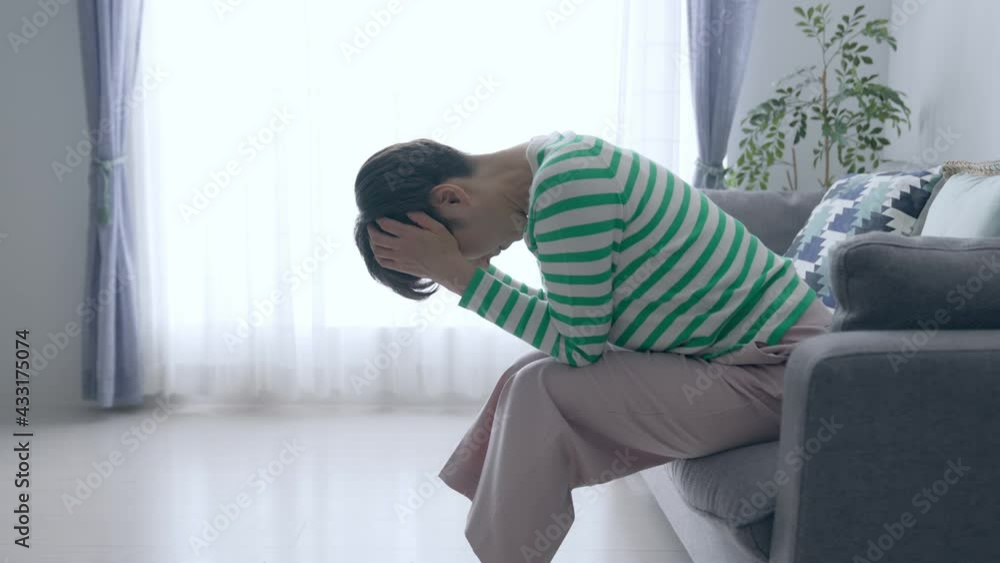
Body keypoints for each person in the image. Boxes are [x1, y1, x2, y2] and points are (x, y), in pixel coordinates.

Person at [353, 131, 832, 563]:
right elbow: (574, 322)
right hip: (752, 362)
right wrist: (464, 275)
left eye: (458, 249)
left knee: (541, 388)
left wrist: (462, 278)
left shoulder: (568, 187)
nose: (480, 258)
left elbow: (578, 346)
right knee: (527, 372)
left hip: (787, 375)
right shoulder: (560, 165)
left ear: (451, 198)